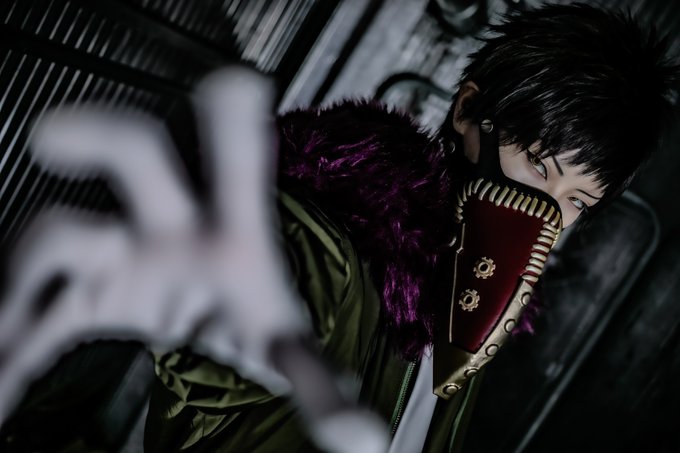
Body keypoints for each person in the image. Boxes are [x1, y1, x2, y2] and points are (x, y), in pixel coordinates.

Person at [143, 3, 675, 452]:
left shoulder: (474, 307)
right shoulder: (336, 239)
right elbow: (257, 304)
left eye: (577, 201)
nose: (547, 212)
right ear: (468, 110)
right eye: (538, 165)